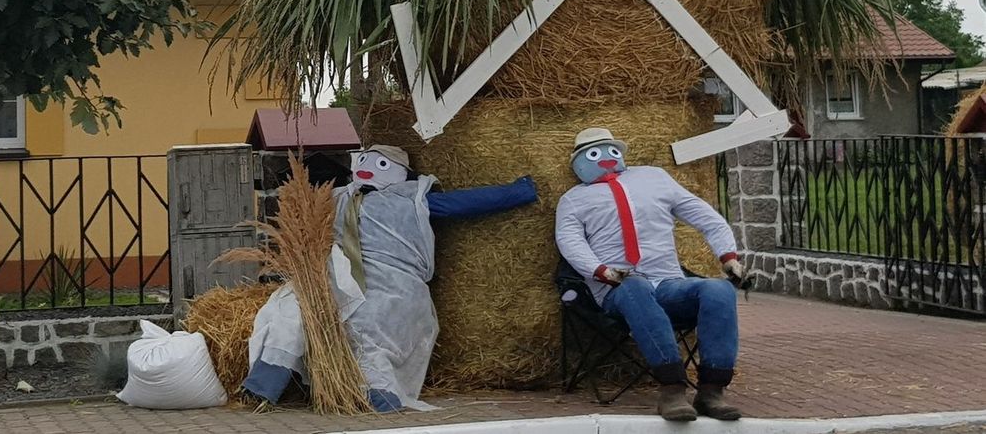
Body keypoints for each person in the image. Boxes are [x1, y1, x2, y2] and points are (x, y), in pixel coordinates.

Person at [244, 144, 537, 412]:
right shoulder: (335, 198)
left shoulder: (412, 200)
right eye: (365, 161)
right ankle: (264, 385)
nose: (368, 168)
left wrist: (518, 191)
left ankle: (379, 393)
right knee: (289, 309)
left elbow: (463, 203)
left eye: (380, 164)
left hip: (392, 281)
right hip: (336, 277)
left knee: (370, 325)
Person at [554, 127, 745, 422]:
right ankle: (671, 387)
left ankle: (711, 391)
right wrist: (600, 271)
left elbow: (705, 216)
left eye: (609, 150)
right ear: (578, 162)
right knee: (636, 287)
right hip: (618, 289)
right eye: (593, 154)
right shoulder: (573, 200)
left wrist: (728, 255)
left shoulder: (654, 178)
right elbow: (570, 242)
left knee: (718, 290)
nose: (604, 159)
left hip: (669, 283)